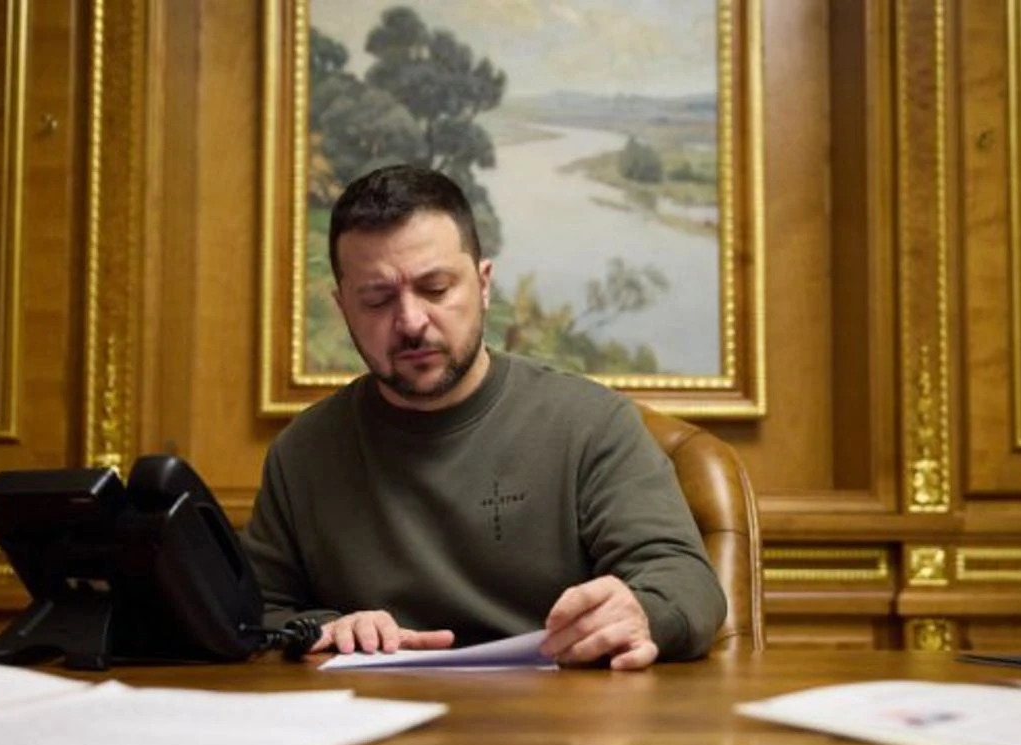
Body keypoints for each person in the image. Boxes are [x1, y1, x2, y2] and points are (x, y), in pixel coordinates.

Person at [241, 164, 726, 669]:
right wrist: (323, 628)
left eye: (435, 288)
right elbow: (256, 614)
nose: (410, 322)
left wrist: (641, 614)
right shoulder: (304, 451)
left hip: (559, 707)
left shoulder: (591, 425)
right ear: (344, 307)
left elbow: (685, 583)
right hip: (374, 708)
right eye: (378, 299)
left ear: (484, 284)